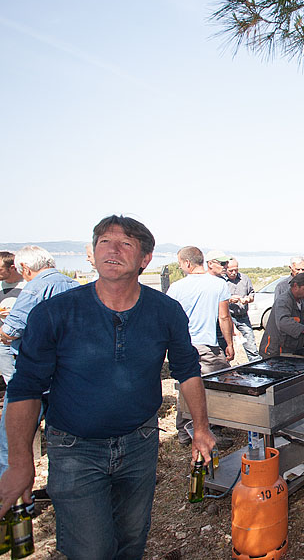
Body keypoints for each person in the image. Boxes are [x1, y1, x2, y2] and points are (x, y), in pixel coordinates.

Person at [0, 215, 215, 559]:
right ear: (93, 252)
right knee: (92, 550)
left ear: (145, 259)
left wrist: (201, 429)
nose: (112, 250)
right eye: (104, 242)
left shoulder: (166, 310)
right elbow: (25, 389)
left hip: (140, 443)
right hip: (74, 449)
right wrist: (20, 462)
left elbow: (187, 371)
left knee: (132, 540)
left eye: (125, 244)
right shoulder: (55, 314)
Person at [0, 246, 78, 478]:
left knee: (11, 440)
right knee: (63, 436)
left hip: (34, 372)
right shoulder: (75, 286)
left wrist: (3, 333)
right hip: (67, 372)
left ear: (24, 268)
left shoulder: (35, 288)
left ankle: (12, 498)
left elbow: (13, 330)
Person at [167, 246, 234, 447]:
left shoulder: (175, 288)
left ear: (187, 263)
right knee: (217, 385)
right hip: (207, 344)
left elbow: (169, 319)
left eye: (180, 264)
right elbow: (224, 316)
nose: (180, 267)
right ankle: (210, 429)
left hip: (183, 344)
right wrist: (229, 343)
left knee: (187, 385)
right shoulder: (218, 285)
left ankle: (184, 431)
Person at [260, 273, 304, 356]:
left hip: (291, 348)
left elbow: (302, 319)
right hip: (276, 351)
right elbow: (284, 322)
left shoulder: (301, 302)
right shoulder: (283, 301)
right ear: (295, 286)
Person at [225, 258, 261, 362]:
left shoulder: (244, 279)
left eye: (236, 270)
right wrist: (230, 300)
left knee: (251, 346)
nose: (233, 273)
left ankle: (256, 366)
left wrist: (248, 299)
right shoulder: (221, 281)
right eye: (230, 270)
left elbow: (252, 294)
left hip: (243, 317)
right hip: (228, 317)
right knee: (225, 347)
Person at [0, 251, 25, 386]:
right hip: (2, 339)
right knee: (9, 379)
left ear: (12, 267)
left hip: (22, 338)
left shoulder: (26, 284)